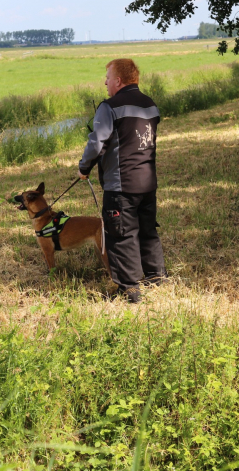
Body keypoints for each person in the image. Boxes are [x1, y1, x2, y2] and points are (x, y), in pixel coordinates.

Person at [77, 58, 167, 303]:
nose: (105, 82)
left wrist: (83, 168)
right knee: (148, 230)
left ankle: (130, 290)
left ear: (118, 80)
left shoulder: (109, 107)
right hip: (147, 181)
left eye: (108, 77)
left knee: (121, 234)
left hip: (121, 185)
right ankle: (157, 278)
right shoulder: (150, 104)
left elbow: (97, 143)